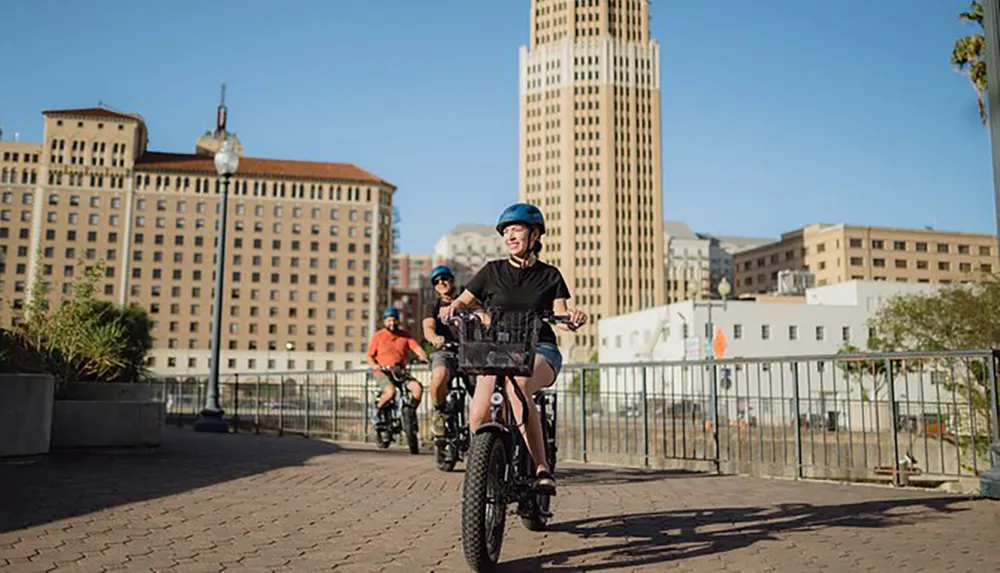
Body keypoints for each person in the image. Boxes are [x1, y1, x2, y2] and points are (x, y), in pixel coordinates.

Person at [439, 203, 586, 494]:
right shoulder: (492, 271)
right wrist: (451, 309)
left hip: (539, 348)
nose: (510, 236)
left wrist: (572, 318)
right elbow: (463, 301)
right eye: (505, 231)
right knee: (479, 414)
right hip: (496, 350)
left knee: (518, 387)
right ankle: (487, 468)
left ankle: (542, 468)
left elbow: (561, 312)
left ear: (534, 235)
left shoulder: (550, 276)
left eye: (516, 229)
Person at [367, 306, 429, 423]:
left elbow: (416, 347)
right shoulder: (378, 336)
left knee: (417, 388)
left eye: (394, 319)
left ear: (398, 321)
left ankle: (410, 413)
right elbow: (369, 356)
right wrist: (375, 365)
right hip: (383, 372)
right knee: (390, 392)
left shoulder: (405, 335)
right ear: (384, 321)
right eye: (389, 320)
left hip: (400, 371)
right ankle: (377, 409)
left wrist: (423, 355)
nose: (392, 323)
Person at [422, 265, 461, 438]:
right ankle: (438, 411)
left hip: (471, 352)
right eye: (437, 282)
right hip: (445, 351)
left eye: (444, 279)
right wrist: (435, 338)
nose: (441, 283)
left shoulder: (465, 300)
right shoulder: (432, 306)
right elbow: (428, 327)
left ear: (452, 280)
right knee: (439, 376)